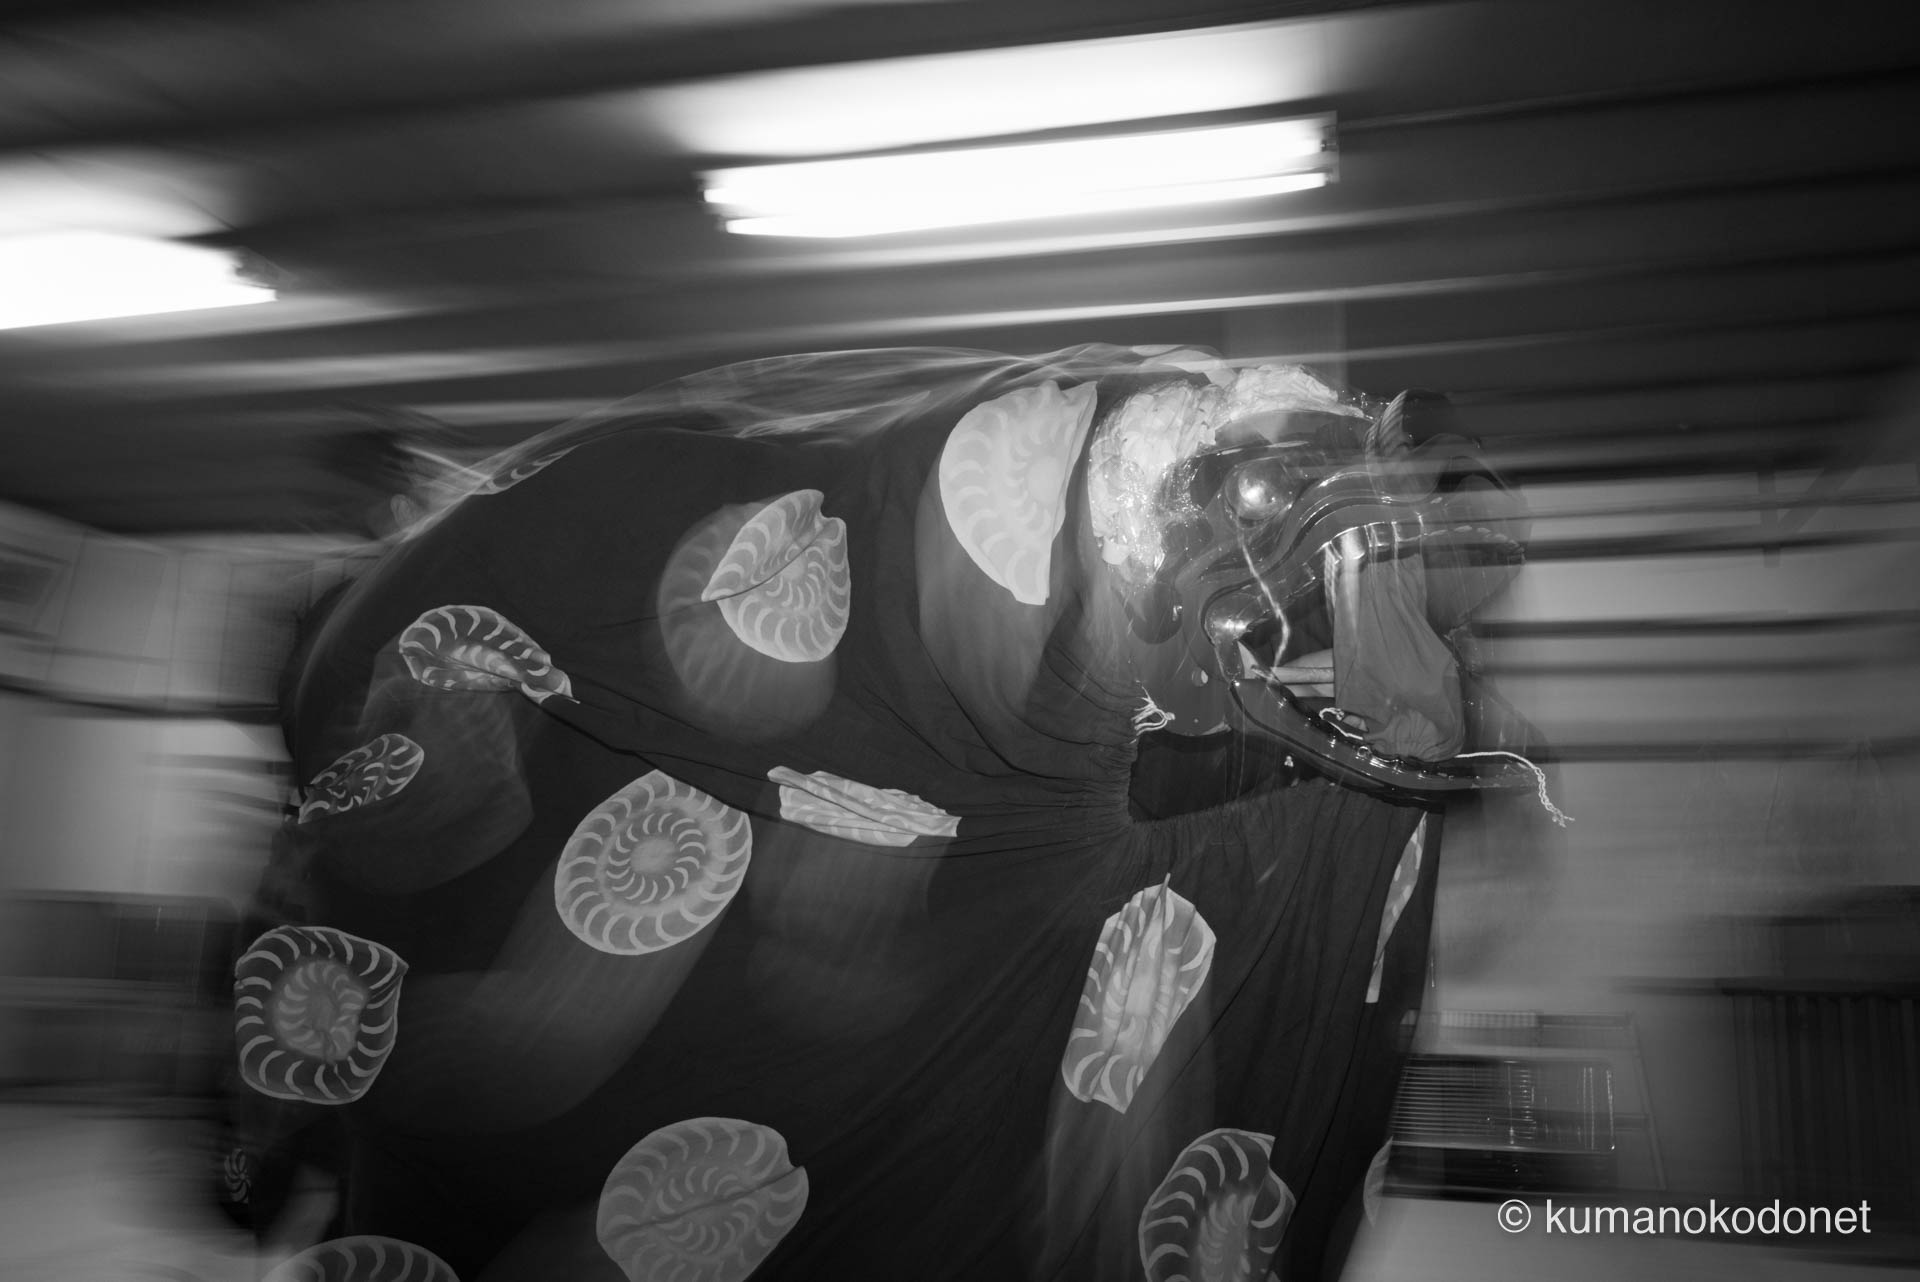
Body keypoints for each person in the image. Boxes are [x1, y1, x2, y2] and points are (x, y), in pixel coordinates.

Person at [235, 343, 1545, 1281]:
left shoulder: (1207, 593)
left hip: (982, 853)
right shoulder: (1144, 494)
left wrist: (1392, 728)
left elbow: (1265, 772)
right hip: (901, 779)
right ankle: (269, 1152)